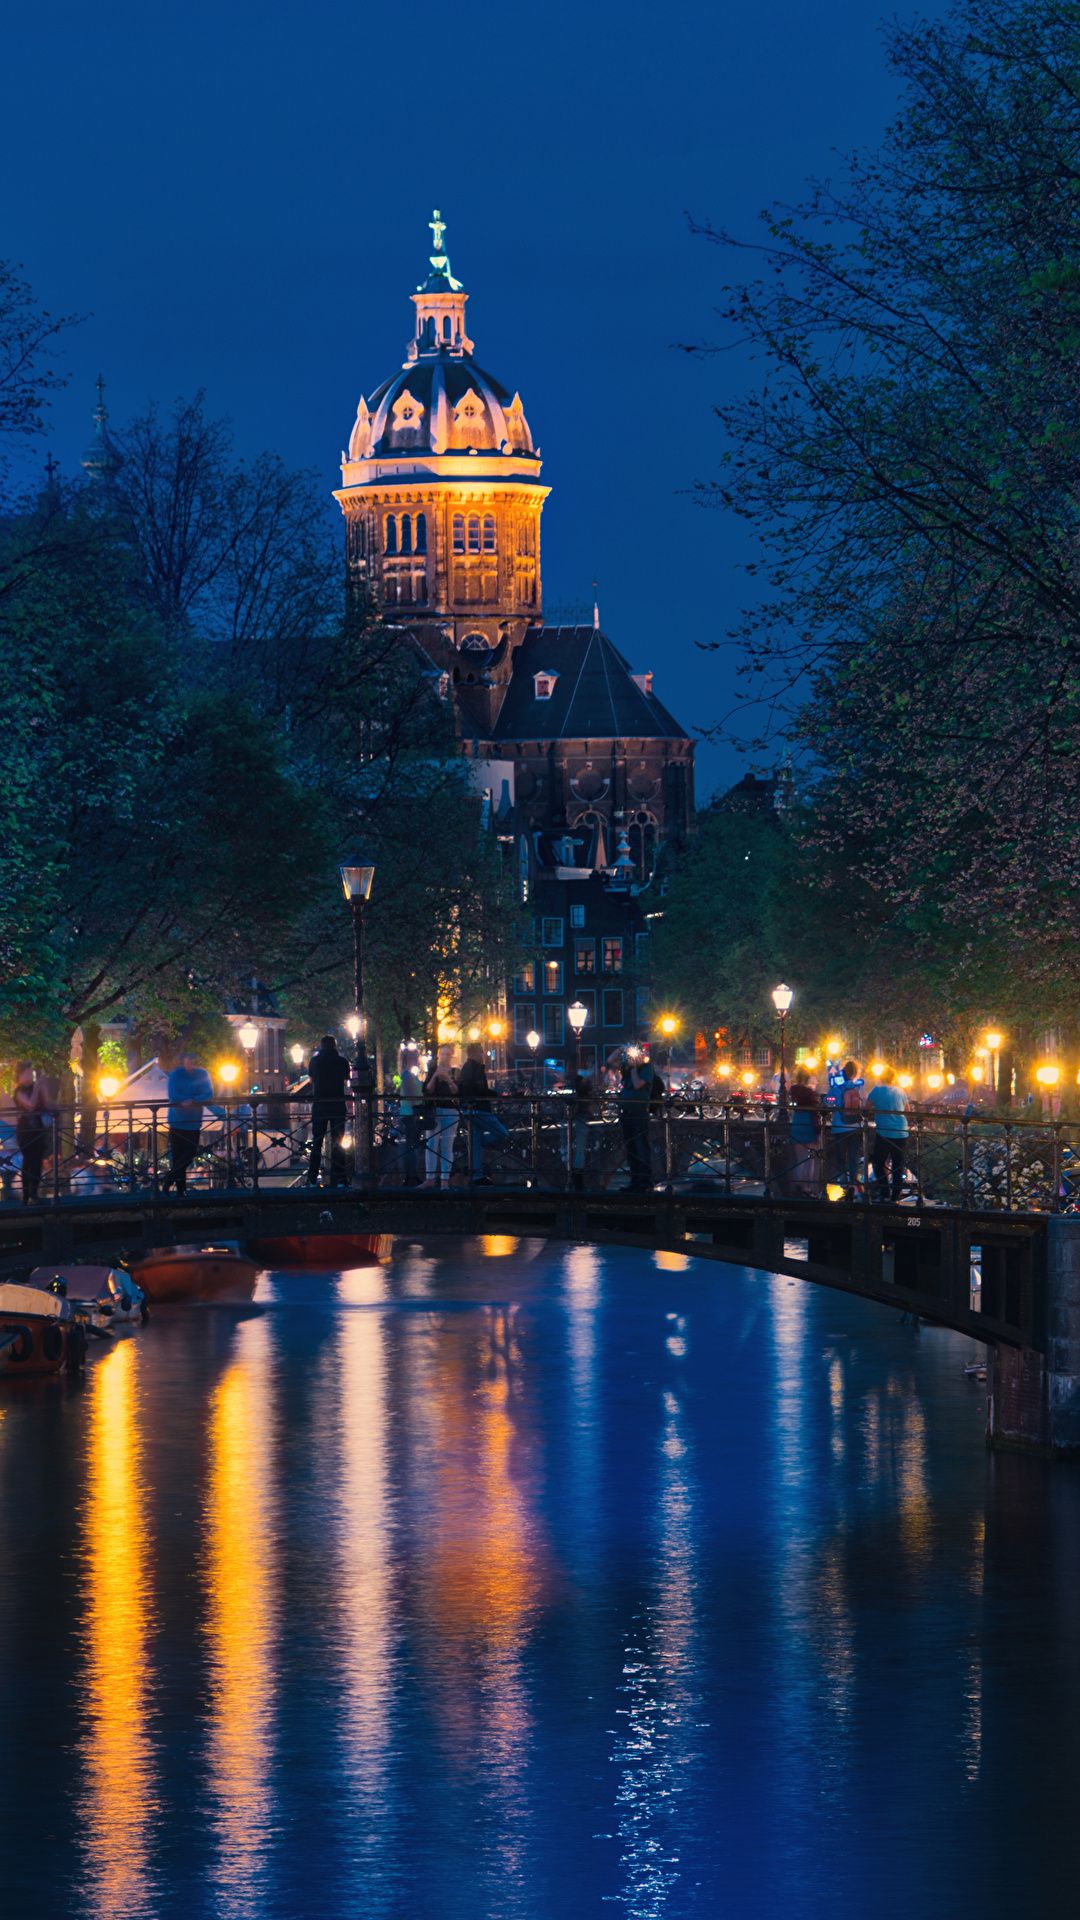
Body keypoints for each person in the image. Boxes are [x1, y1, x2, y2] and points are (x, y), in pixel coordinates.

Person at [160, 1050, 214, 1194]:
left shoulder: (202, 1074)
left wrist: (191, 1100)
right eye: (188, 1061)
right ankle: (180, 1190)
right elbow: (174, 1095)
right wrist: (195, 1097)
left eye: (193, 1061)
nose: (191, 1064)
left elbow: (209, 1094)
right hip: (178, 1121)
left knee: (188, 1154)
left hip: (193, 1121)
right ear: (183, 1062)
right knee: (179, 1156)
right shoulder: (176, 1075)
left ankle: (169, 1181)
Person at [456, 1042, 509, 1183]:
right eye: (481, 1052)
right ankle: (477, 1171)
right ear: (474, 1053)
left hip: (470, 1109)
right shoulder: (475, 1069)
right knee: (503, 1133)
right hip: (479, 1109)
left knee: (475, 1143)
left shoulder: (466, 1068)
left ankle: (476, 1175)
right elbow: (480, 1089)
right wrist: (496, 1094)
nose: (483, 1055)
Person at [307, 1034, 351, 1186]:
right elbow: (345, 1082)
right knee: (338, 1142)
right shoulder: (342, 1061)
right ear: (335, 1045)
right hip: (337, 1104)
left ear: (321, 1045)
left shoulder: (314, 1061)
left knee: (317, 1142)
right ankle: (340, 1178)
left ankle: (312, 1178)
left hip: (319, 1105)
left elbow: (312, 1080)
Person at [609, 1043, 654, 1191]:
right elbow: (610, 1060)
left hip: (639, 1111)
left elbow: (637, 1084)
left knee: (641, 1146)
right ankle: (634, 1180)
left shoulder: (646, 1068)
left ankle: (645, 1181)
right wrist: (623, 1048)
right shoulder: (626, 1067)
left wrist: (634, 1067)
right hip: (626, 1111)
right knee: (631, 1147)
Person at [867, 1065, 910, 1202]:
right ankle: (895, 1195)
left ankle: (885, 1191)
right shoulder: (901, 1091)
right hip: (901, 1131)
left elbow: (866, 1107)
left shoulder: (876, 1090)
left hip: (884, 1131)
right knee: (898, 1164)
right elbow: (907, 1110)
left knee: (878, 1162)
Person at [12, 1062, 49, 1205]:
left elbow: (45, 1103)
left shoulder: (34, 1087)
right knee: (28, 1161)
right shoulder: (19, 1091)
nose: (30, 1076)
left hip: (38, 1129)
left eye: (31, 1073)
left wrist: (43, 1088)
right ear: (20, 1075)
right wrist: (37, 1088)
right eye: (27, 1073)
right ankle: (26, 1195)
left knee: (37, 1161)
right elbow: (30, 1106)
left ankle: (35, 1192)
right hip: (26, 1130)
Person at [423, 1045, 459, 1187]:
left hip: (451, 1111)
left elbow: (457, 1092)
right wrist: (436, 1076)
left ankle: (445, 1180)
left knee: (447, 1146)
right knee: (431, 1144)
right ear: (439, 1056)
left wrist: (449, 1080)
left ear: (451, 1056)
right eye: (443, 1054)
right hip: (434, 1111)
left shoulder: (456, 1072)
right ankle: (430, 1179)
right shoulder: (433, 1070)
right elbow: (427, 1090)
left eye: (448, 1054)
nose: (445, 1057)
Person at [830, 1059, 864, 1192]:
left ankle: (843, 1182)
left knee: (840, 1156)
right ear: (856, 1074)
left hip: (839, 1126)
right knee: (853, 1156)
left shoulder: (836, 1089)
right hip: (855, 1126)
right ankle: (853, 1181)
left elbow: (828, 1102)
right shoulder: (858, 1089)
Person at [787, 1065, 822, 1194]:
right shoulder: (810, 1093)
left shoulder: (794, 1090)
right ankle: (809, 1187)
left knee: (800, 1159)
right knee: (811, 1159)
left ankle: (798, 1187)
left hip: (797, 1123)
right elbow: (816, 1111)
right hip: (809, 1124)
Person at [398, 1047, 426, 1185]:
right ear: (409, 1060)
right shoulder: (408, 1076)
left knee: (411, 1145)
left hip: (410, 1113)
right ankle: (411, 1176)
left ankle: (411, 1174)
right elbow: (411, 1096)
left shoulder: (408, 1075)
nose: (417, 1060)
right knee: (411, 1146)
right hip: (411, 1114)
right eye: (415, 1058)